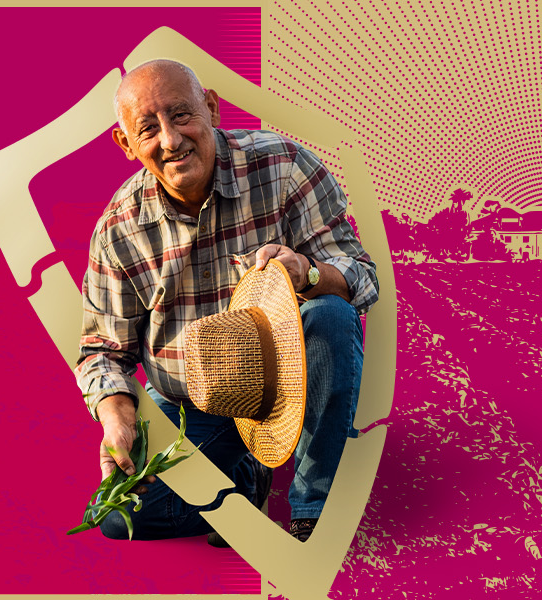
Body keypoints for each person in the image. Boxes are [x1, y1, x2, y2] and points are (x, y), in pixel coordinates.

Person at [77, 59, 380, 544]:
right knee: (121, 516)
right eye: (148, 128)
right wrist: (117, 417)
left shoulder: (284, 166)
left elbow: (361, 276)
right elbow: (102, 352)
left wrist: (308, 271)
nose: (171, 140)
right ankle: (245, 477)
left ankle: (315, 508)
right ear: (126, 144)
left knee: (331, 314)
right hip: (192, 403)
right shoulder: (118, 229)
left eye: (181, 115)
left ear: (212, 108)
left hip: (286, 382)